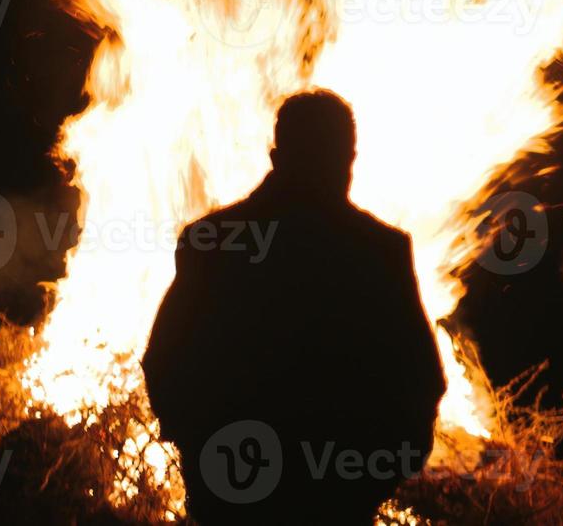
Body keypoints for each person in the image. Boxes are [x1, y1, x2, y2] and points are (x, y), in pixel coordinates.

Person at [143, 90, 446, 524]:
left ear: (276, 156)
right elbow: (419, 380)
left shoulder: (212, 238)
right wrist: (378, 474)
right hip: (334, 495)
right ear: (349, 157)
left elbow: (165, 362)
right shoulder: (378, 249)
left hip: (234, 486)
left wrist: (198, 452)